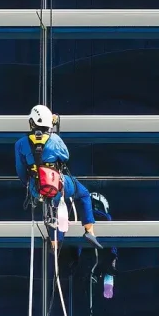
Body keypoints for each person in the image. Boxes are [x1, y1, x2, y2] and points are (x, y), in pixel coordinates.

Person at [15, 104, 103, 249]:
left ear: (32, 122)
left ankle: (54, 243)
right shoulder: (54, 140)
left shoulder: (20, 144)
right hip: (56, 184)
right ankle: (89, 231)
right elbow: (66, 156)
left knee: (53, 210)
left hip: (36, 187)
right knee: (83, 194)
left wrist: (30, 186)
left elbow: (20, 170)